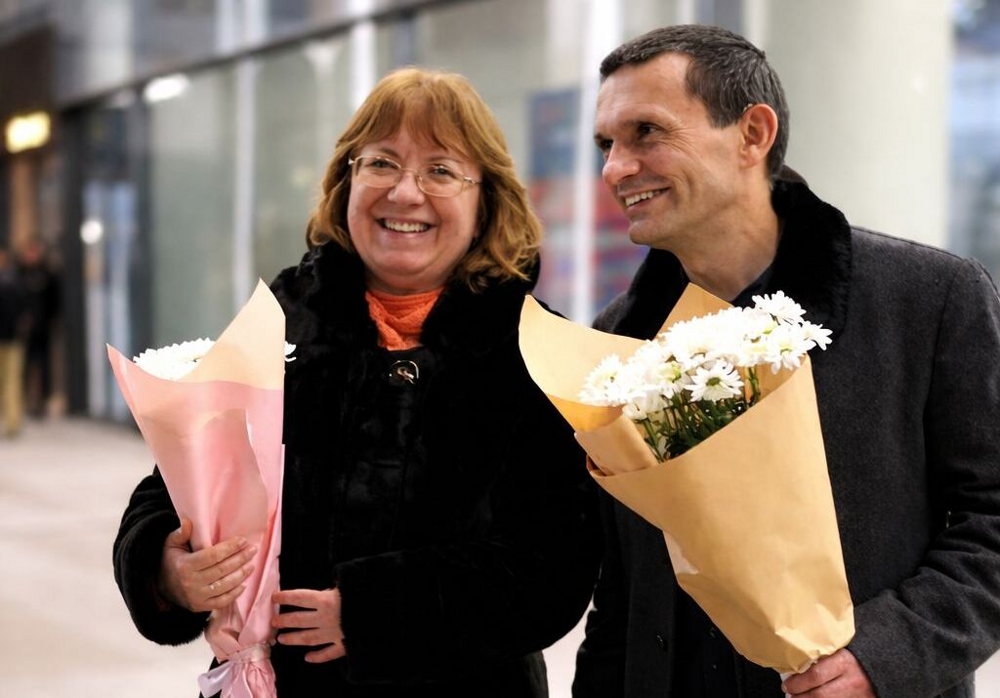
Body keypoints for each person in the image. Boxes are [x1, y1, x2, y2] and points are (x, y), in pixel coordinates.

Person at [114, 67, 601, 697]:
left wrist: (377, 611)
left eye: (441, 171)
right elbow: (171, 488)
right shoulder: (281, 322)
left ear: (486, 204)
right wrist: (165, 569)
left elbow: (554, 571)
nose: (405, 193)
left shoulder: (533, 351)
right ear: (346, 182)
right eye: (381, 163)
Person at [573, 25, 1000, 698]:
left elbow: (991, 520)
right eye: (607, 145)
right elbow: (621, 589)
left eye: (646, 133)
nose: (615, 168)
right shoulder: (617, 340)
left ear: (753, 133)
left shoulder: (930, 298)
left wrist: (885, 653)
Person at [0, 247, 25, 438]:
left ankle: (12, 421)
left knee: (12, 382)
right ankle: (12, 421)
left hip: (12, 339)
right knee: (11, 381)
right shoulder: (15, 280)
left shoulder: (14, 280)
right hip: (12, 337)